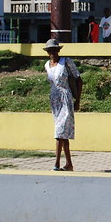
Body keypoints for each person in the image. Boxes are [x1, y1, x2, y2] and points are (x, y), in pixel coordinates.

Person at [43, 38, 81, 172]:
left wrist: (78, 101)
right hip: (55, 100)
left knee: (59, 132)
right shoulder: (47, 65)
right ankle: (69, 164)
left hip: (66, 98)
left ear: (58, 51)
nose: (53, 53)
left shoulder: (66, 62)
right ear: (47, 53)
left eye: (55, 50)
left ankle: (57, 163)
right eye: (50, 51)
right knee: (62, 133)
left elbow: (78, 79)